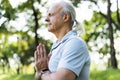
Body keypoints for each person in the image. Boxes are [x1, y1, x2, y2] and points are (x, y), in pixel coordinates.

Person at [34, 1, 90, 80]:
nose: (46, 19)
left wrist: (44, 71)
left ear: (66, 17)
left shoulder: (75, 43)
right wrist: (39, 71)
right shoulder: (57, 46)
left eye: (51, 15)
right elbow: (40, 77)